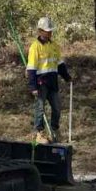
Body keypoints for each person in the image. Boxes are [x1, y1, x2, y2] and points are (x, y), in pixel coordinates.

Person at [26, 16, 72, 144]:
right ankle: (38, 133)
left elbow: (60, 64)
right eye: (47, 30)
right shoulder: (35, 47)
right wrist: (33, 87)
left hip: (53, 82)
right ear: (40, 31)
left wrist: (67, 77)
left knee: (57, 108)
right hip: (41, 83)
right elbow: (31, 68)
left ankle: (54, 131)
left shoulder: (54, 46)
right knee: (40, 109)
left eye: (51, 30)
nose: (50, 32)